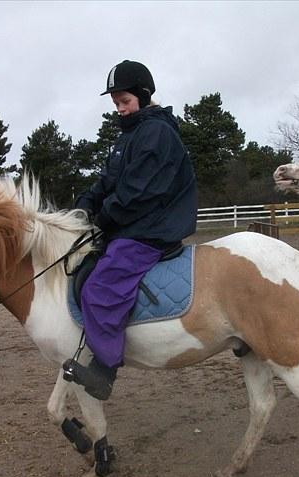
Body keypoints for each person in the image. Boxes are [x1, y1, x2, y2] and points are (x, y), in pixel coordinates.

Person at [63, 60, 198, 400]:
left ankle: (104, 370)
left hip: (151, 226)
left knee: (100, 288)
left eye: (124, 102)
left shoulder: (156, 133)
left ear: (142, 95)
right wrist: (85, 204)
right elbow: (109, 180)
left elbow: (139, 192)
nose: (120, 109)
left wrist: (104, 218)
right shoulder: (131, 135)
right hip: (135, 220)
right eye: (115, 104)